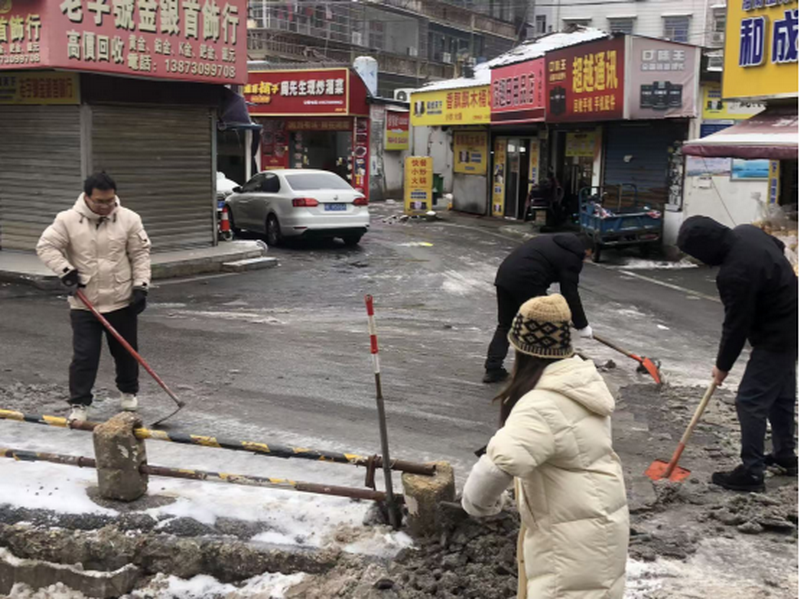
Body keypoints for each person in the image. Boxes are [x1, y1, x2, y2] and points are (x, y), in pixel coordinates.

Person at [463, 294, 629, 599]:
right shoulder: (581, 384)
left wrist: (482, 506)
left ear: (521, 350)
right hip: (599, 531)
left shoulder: (541, 405)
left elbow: (491, 473)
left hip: (569, 548)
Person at [678, 216, 798, 491]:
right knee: (781, 395)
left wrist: (722, 366)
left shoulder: (735, 273)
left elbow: (736, 325)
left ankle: (752, 473)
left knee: (750, 400)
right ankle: (785, 456)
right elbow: (779, 247)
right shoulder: (746, 232)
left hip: (777, 333)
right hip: (794, 316)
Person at [37, 172, 152, 423]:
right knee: (85, 356)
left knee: (126, 352)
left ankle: (128, 392)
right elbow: (46, 246)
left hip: (121, 300)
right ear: (87, 197)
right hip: (85, 303)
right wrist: (66, 271)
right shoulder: (67, 220)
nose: (106, 206)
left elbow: (140, 254)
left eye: (110, 200)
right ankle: (79, 402)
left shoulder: (129, 218)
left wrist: (141, 287)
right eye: (100, 201)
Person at [483, 232, 594, 383]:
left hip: (505, 276)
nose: (585, 260)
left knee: (505, 325)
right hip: (528, 280)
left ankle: (493, 368)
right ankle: (542, 370)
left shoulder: (549, 240)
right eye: (588, 256)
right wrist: (582, 325)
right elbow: (570, 292)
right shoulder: (573, 256)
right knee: (544, 325)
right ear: (586, 249)